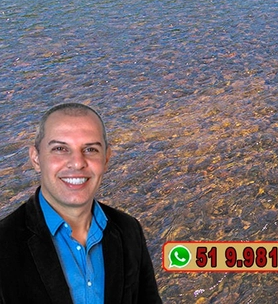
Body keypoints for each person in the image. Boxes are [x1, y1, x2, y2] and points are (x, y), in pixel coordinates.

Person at [0, 103, 162, 304]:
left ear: (106, 158)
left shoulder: (129, 230)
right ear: (35, 158)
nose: (77, 162)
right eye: (60, 148)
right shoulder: (4, 244)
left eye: (90, 149)